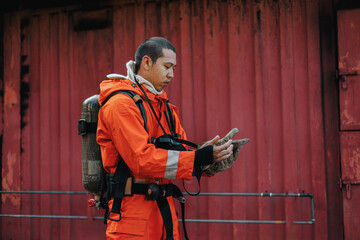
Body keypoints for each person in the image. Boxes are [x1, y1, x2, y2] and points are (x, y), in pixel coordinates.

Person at [96, 37, 234, 240]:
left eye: (174, 68)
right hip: (132, 220)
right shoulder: (120, 105)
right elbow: (141, 160)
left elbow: (179, 157)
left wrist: (209, 160)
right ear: (147, 62)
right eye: (167, 66)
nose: (172, 74)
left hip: (165, 216)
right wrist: (197, 159)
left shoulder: (165, 108)